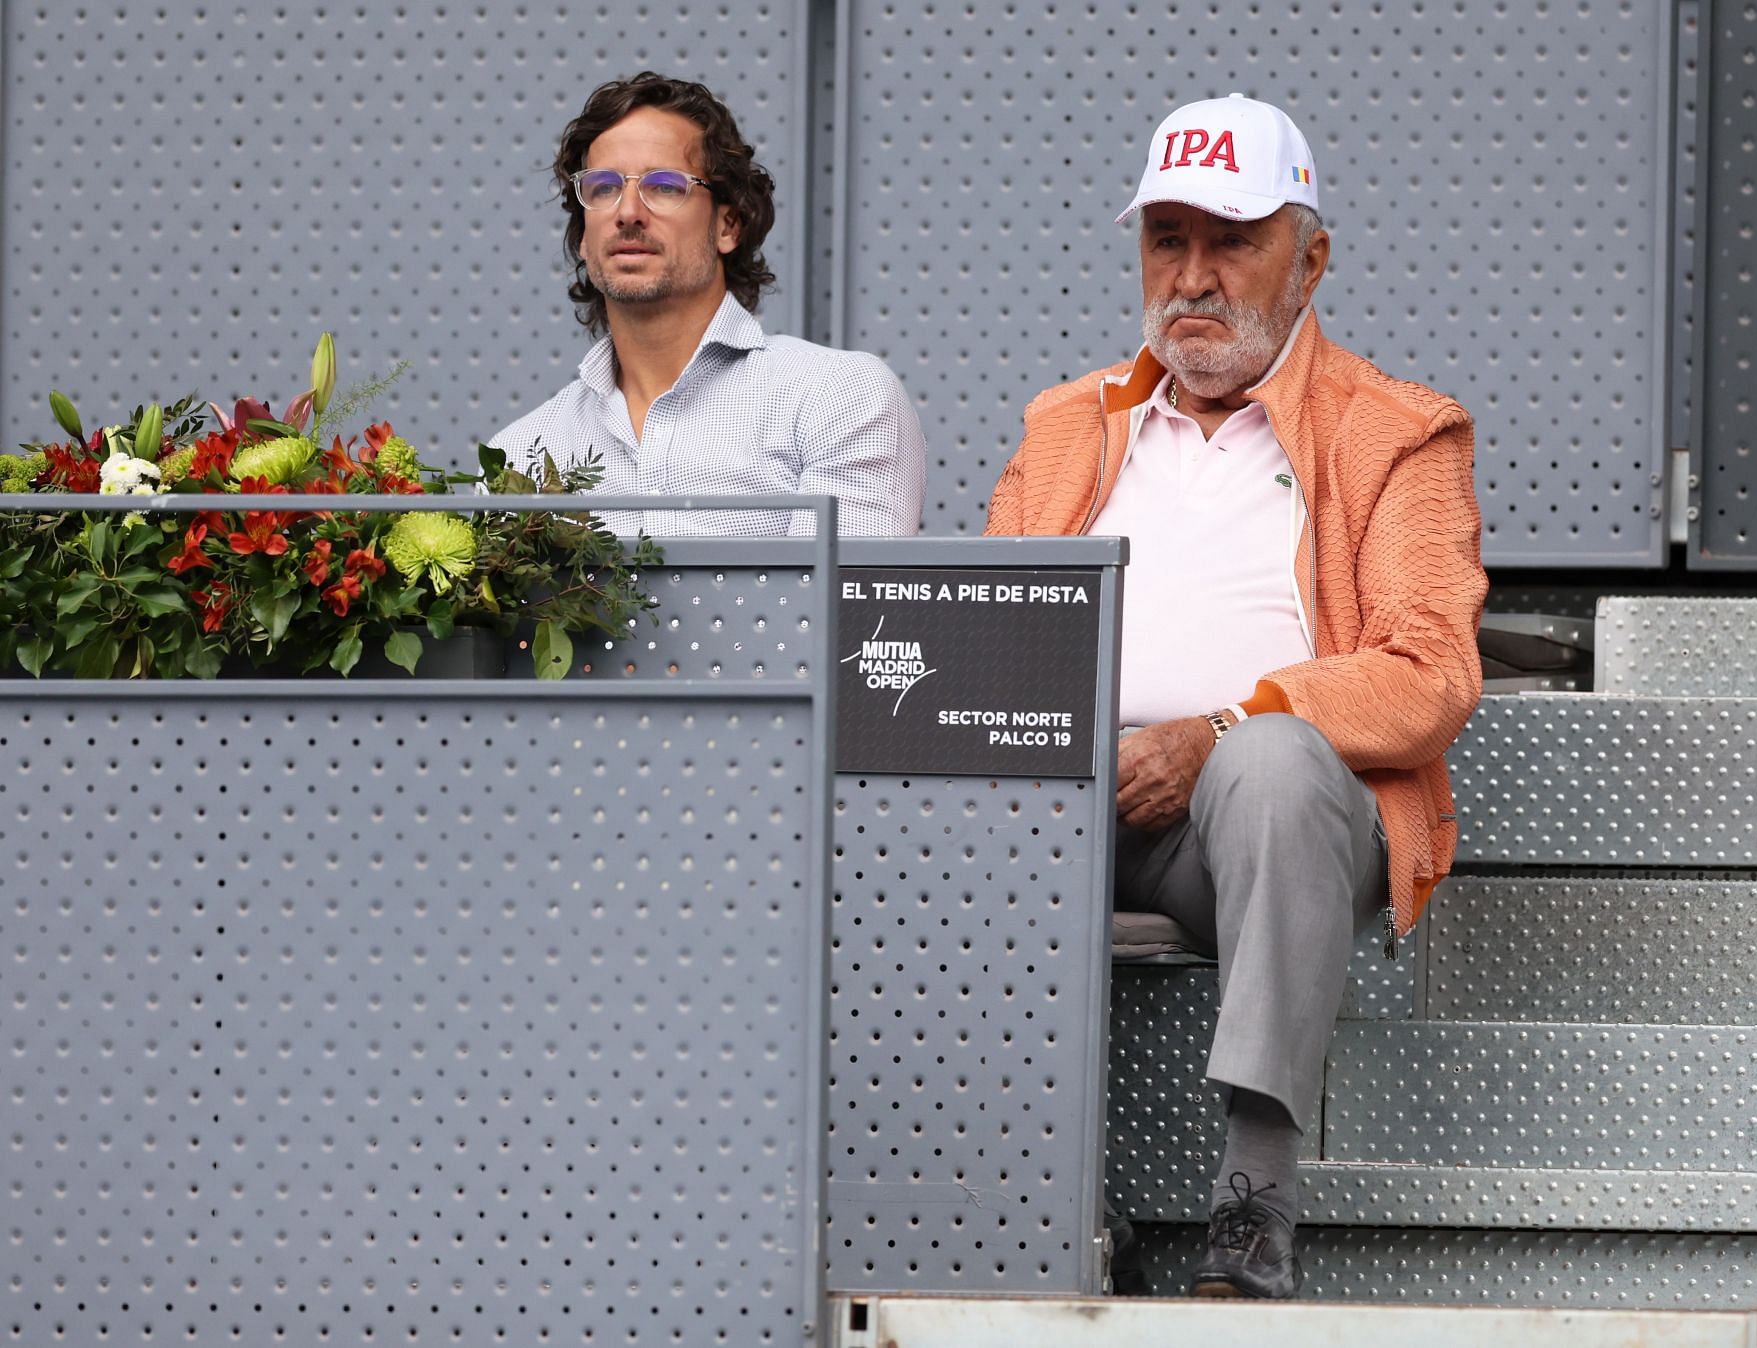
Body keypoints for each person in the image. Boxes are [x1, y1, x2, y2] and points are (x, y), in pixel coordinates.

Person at [985, 93, 1486, 1299]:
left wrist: (1215, 731)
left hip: (1272, 823)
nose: (1193, 276)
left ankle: (1253, 1203)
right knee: (941, 785)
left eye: (1233, 240)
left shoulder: (1397, 431)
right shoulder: (1064, 425)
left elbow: (1430, 674)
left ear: (1308, 259)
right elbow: (992, 630)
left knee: (1265, 757)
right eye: (1168, 239)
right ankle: (1036, 1199)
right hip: (1078, 800)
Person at [491, 72, 926, 538]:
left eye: (664, 185)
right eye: (603, 187)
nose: (628, 211)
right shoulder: (518, 455)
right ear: (582, 235)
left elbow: (833, 610)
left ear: (728, 226)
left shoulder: (836, 399)